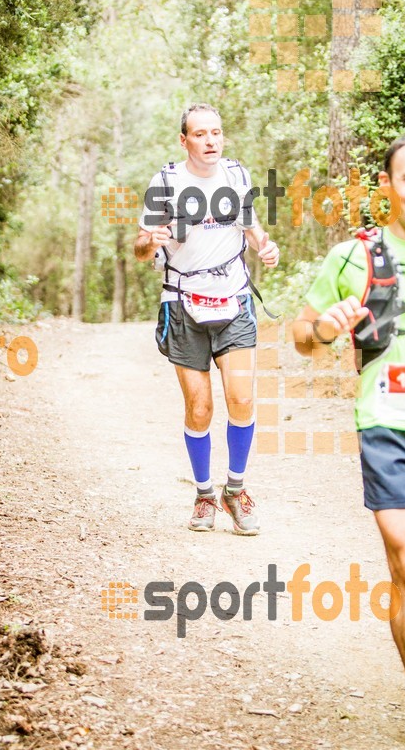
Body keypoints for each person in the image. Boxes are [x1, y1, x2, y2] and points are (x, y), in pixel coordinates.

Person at [292, 134, 405, 749]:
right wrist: (325, 329)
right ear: (386, 185)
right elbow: (302, 335)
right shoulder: (350, 257)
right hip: (389, 430)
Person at [134, 103, 279, 535]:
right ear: (184, 140)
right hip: (182, 303)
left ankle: (236, 490)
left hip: (233, 298)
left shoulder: (236, 176)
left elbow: (252, 230)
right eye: (200, 134)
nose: (210, 141)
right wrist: (149, 240)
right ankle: (203, 495)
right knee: (200, 407)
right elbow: (141, 249)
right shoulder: (165, 182)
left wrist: (266, 248)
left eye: (216, 132)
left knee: (243, 400)